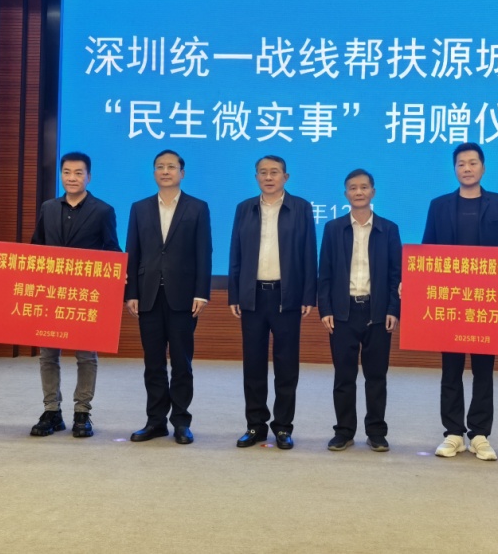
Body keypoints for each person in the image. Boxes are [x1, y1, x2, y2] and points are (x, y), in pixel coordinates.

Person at [422, 142, 498, 461]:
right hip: (450, 303)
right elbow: (426, 251)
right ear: (454, 169)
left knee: (483, 370)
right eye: (461, 163)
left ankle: (479, 434)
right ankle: (453, 432)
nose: (467, 168)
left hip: (486, 304)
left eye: (473, 163)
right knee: (450, 369)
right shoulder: (438, 206)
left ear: (483, 167)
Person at [29, 152, 120, 438]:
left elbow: (112, 250)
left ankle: (82, 412)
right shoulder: (47, 208)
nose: (72, 178)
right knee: (47, 355)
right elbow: (35, 248)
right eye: (67, 172)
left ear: (88, 177)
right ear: (61, 175)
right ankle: (51, 411)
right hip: (50, 294)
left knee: (86, 357)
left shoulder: (103, 210)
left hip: (85, 296)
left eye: (78, 173)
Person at [124, 150, 212, 445]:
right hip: (148, 295)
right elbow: (133, 250)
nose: (165, 171)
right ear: (154, 173)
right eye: (160, 167)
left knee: (182, 363)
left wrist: (201, 292)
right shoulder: (139, 208)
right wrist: (131, 293)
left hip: (184, 297)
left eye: (171, 167)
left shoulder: (197, 207)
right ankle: (155, 422)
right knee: (153, 363)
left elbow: (204, 252)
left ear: (181, 173)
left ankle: (182, 422)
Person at [229, 155, 317, 450]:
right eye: (263, 172)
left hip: (286, 296)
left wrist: (308, 294)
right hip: (253, 296)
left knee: (286, 365)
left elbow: (309, 253)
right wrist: (234, 294)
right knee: (253, 364)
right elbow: (235, 253)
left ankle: (283, 427)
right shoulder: (244, 208)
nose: (269, 177)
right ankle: (255, 425)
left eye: (275, 172)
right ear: (256, 177)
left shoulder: (301, 207)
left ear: (285, 177)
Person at [318, 169, 401, 453]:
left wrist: (393, 309)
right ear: (346, 194)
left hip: (377, 312)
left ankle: (376, 432)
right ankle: (343, 431)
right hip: (343, 312)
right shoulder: (333, 229)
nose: (358, 192)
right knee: (344, 376)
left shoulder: (389, 229)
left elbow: (396, 274)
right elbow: (325, 272)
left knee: (376, 376)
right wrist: (325, 309)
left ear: (373, 192)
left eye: (364, 187)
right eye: (353, 188)